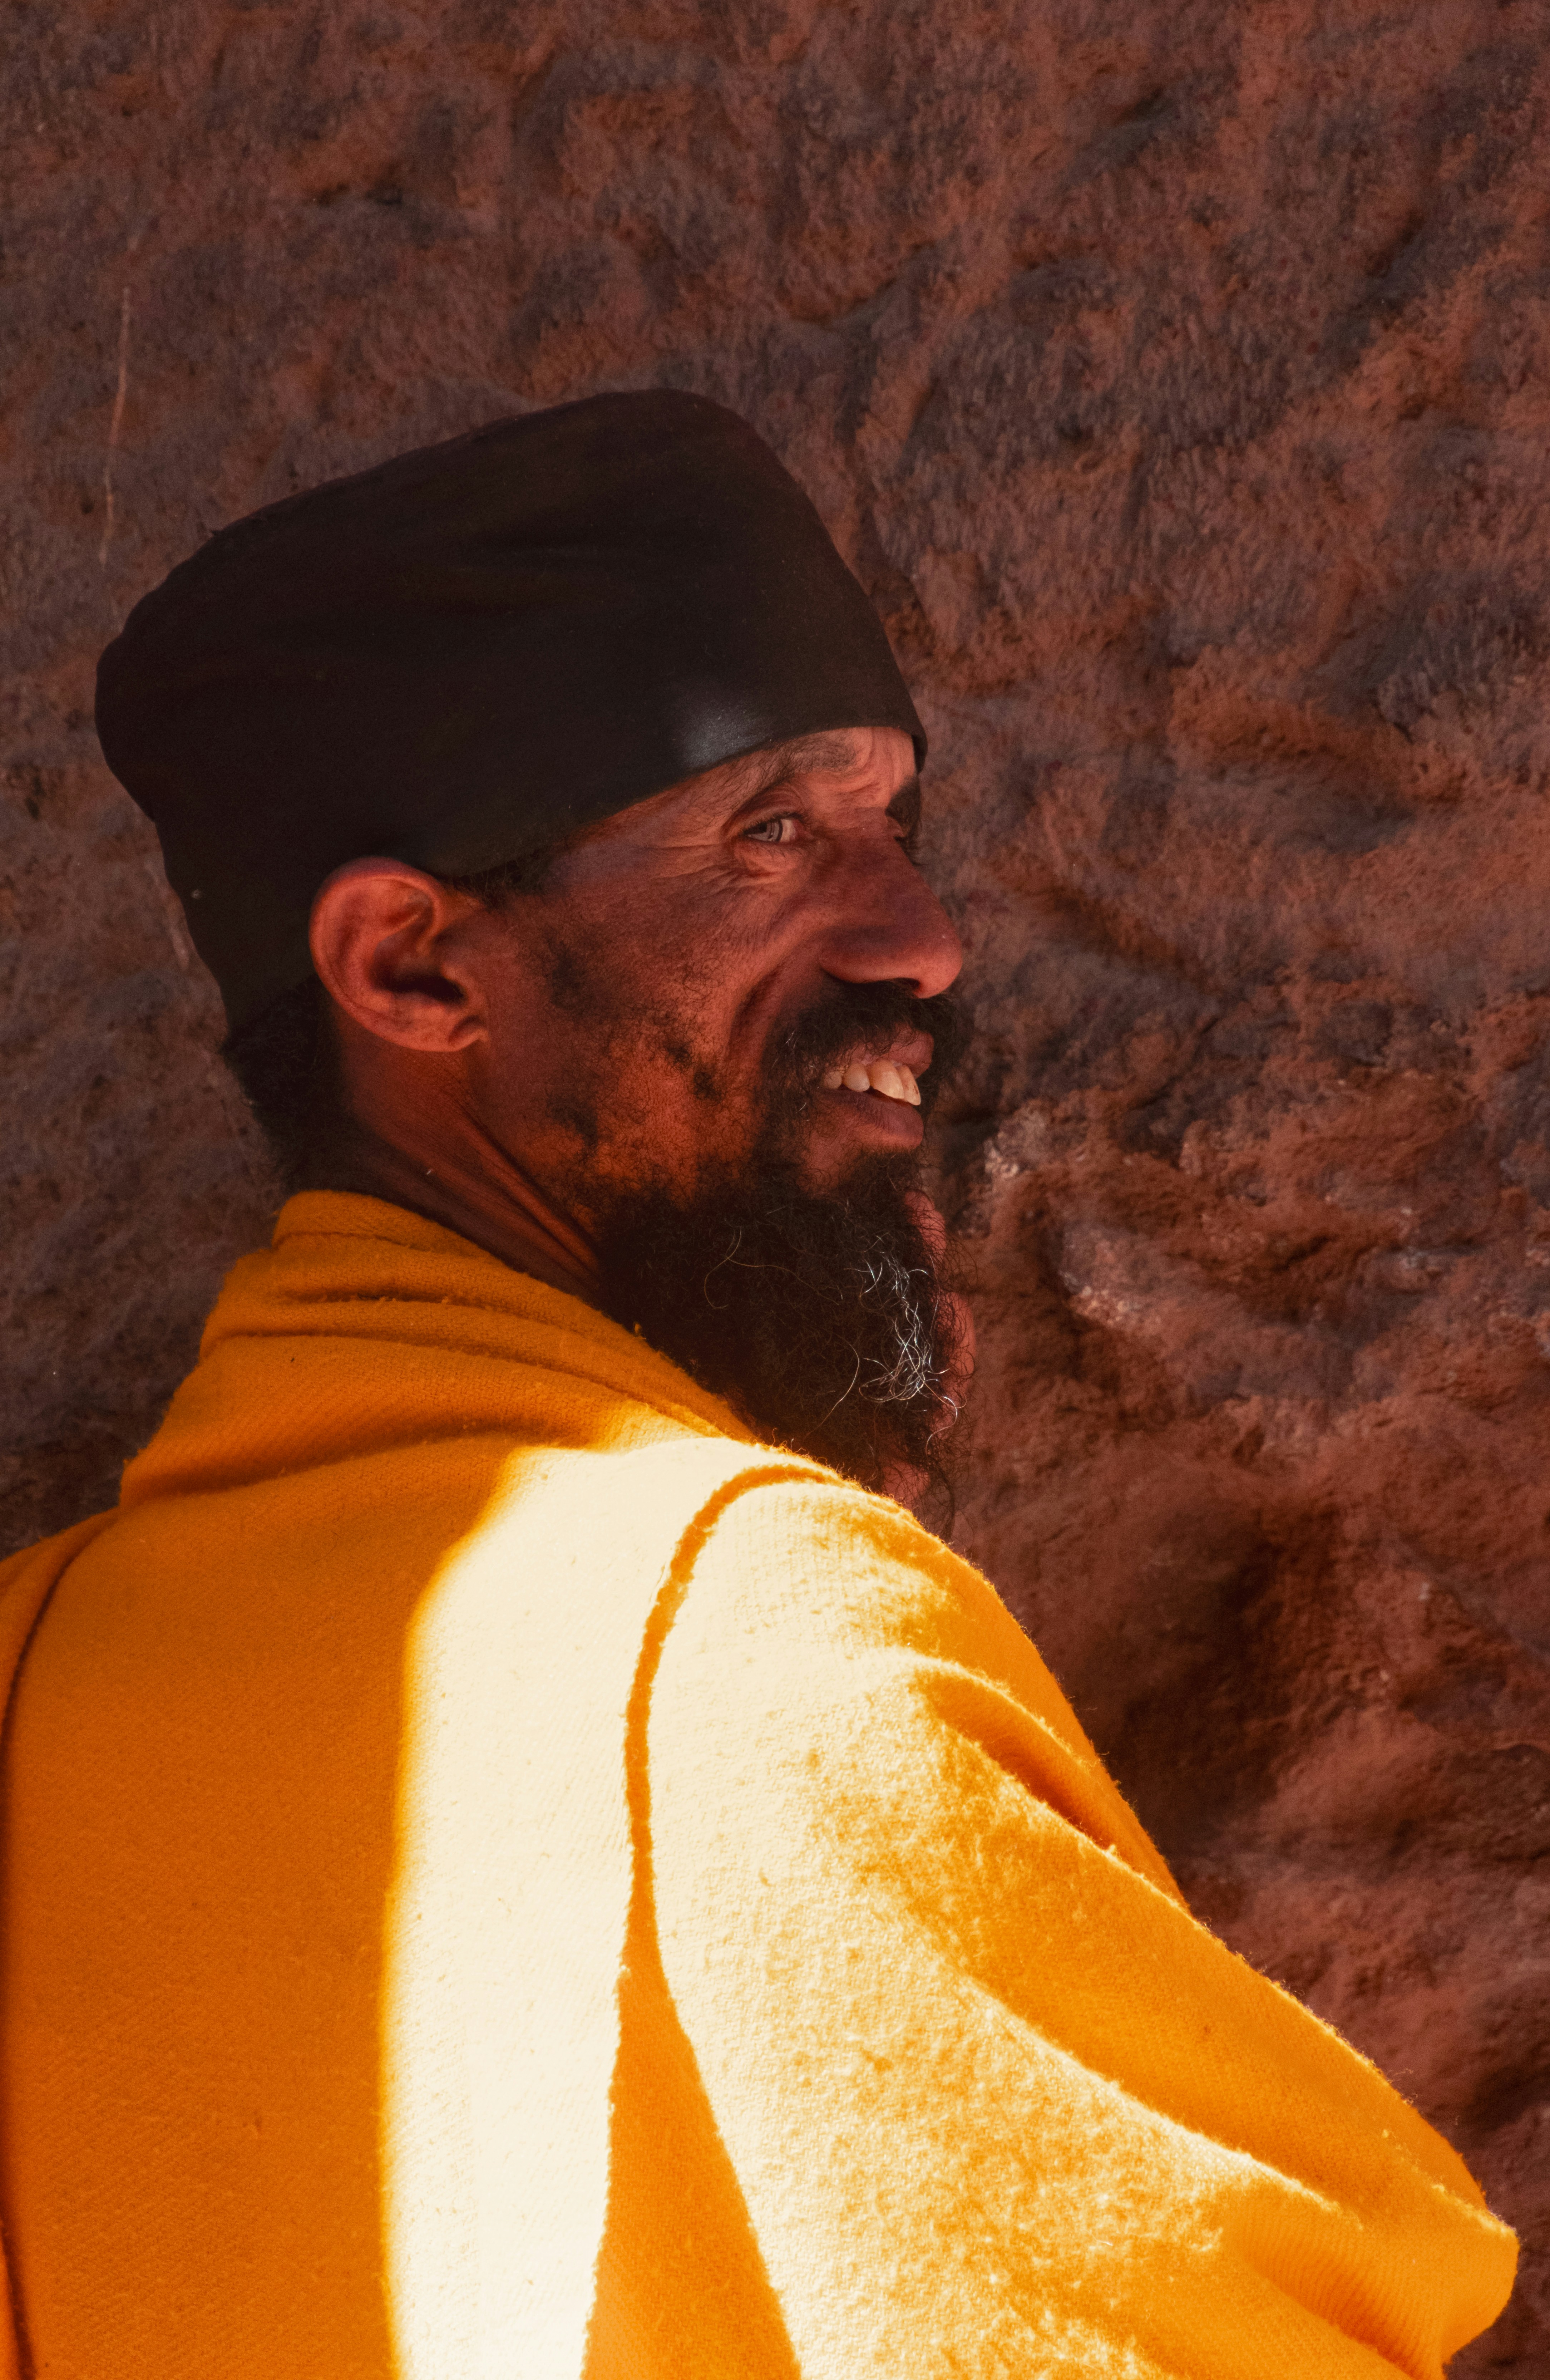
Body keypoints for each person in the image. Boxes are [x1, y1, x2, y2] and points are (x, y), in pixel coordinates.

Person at [0, 393, 1515, 2377]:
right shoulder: (752, 1633)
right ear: (415, 971)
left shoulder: (36, 1681)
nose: (926, 937)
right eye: (770, 834)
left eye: (895, 824)